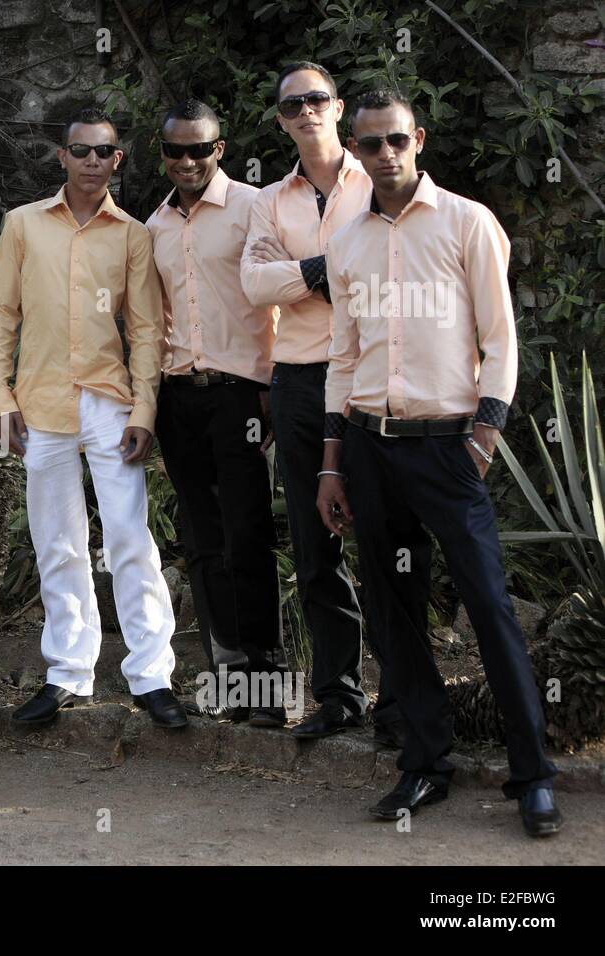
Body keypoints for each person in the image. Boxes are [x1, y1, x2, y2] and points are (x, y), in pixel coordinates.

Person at [319, 89, 560, 837]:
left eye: (395, 139)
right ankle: (426, 763)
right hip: (368, 449)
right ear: (354, 151)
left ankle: (534, 777)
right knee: (394, 612)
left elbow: (500, 338)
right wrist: (332, 462)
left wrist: (485, 434)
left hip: (449, 449)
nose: (384, 154)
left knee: (489, 605)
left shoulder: (467, 222)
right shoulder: (348, 240)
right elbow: (343, 353)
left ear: (417, 139)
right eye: (369, 144)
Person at [0, 107, 183, 729]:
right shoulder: (22, 226)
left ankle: (152, 678)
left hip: (107, 402)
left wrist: (144, 409)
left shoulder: (132, 236)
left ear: (117, 161)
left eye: (105, 152)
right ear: (62, 158)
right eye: (82, 151)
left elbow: (148, 330)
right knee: (57, 542)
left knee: (129, 537)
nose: (93, 161)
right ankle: (67, 672)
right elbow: (0, 316)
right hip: (39, 404)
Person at [240, 61, 394, 743]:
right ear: (281, 119)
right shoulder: (272, 200)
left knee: (391, 541)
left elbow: (397, 265)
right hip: (301, 378)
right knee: (313, 546)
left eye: (318, 99)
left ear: (337, 108)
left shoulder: (379, 175)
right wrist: (321, 272)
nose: (307, 110)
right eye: (293, 103)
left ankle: (404, 700)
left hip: (377, 372)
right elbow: (254, 282)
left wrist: (306, 278)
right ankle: (338, 697)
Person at [146, 98, 286, 725]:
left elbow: (279, 298)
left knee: (249, 533)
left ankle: (268, 680)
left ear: (219, 150)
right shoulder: (152, 227)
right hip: (180, 397)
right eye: (175, 150)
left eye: (199, 149)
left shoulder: (256, 207)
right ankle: (229, 674)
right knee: (203, 540)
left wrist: (274, 384)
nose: (187, 161)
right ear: (163, 154)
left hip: (242, 393)